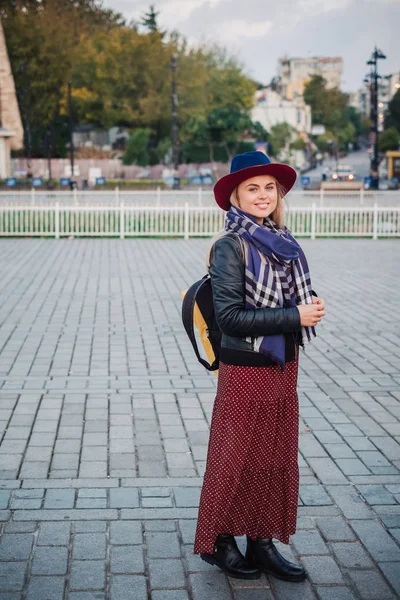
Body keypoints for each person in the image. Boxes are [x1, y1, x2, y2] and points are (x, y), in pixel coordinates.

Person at [193, 151, 326, 581]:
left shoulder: (281, 241)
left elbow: (286, 299)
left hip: (284, 363)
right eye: (253, 188)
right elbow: (230, 317)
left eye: (270, 187)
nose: (263, 195)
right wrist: (295, 317)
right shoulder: (231, 245)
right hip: (246, 368)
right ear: (235, 195)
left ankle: (262, 540)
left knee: (272, 457)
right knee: (236, 457)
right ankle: (222, 541)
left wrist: (307, 306)